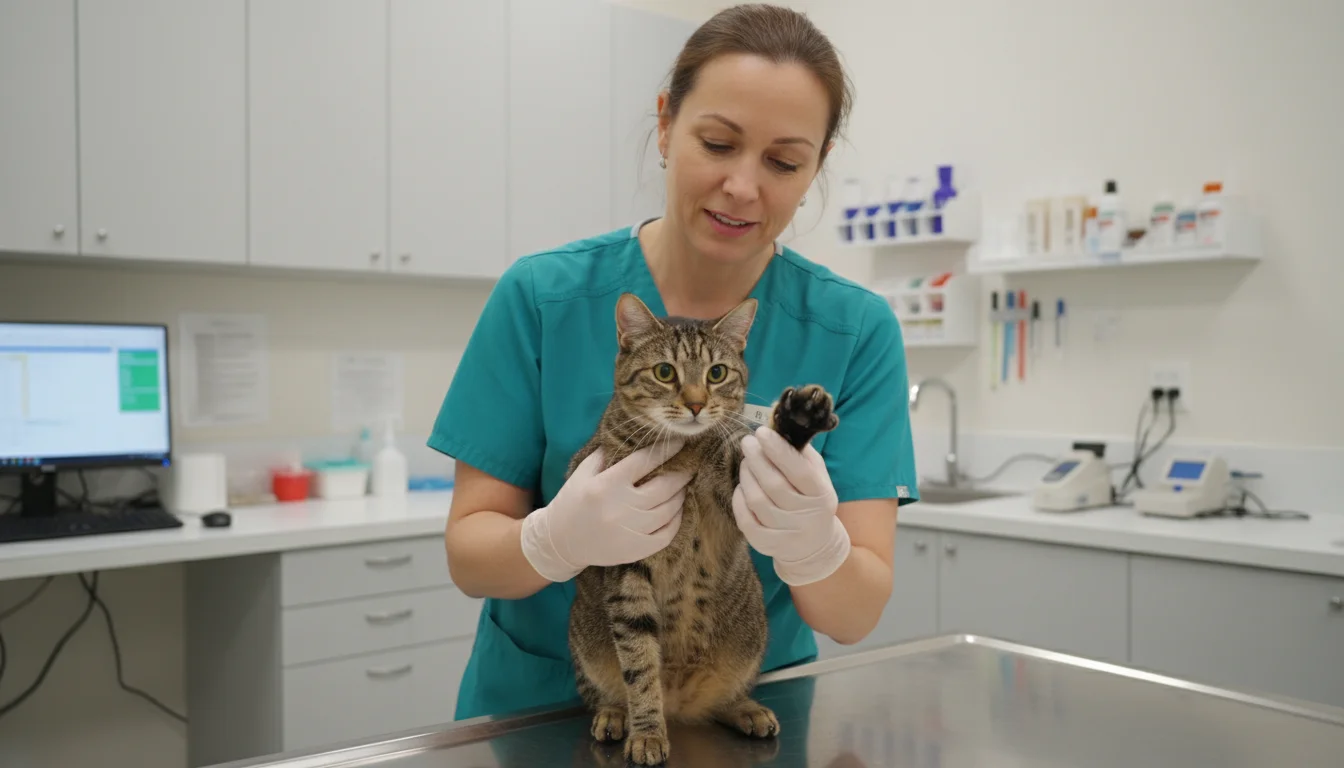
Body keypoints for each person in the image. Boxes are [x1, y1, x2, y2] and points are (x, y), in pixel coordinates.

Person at [429, 3, 919, 722]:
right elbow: (470, 556)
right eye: (718, 143)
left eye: (784, 161)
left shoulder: (855, 329)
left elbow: (854, 614)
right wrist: (552, 540)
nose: (744, 187)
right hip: (546, 712)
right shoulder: (543, 296)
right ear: (665, 125)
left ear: (817, 168)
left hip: (737, 702)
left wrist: (816, 549)